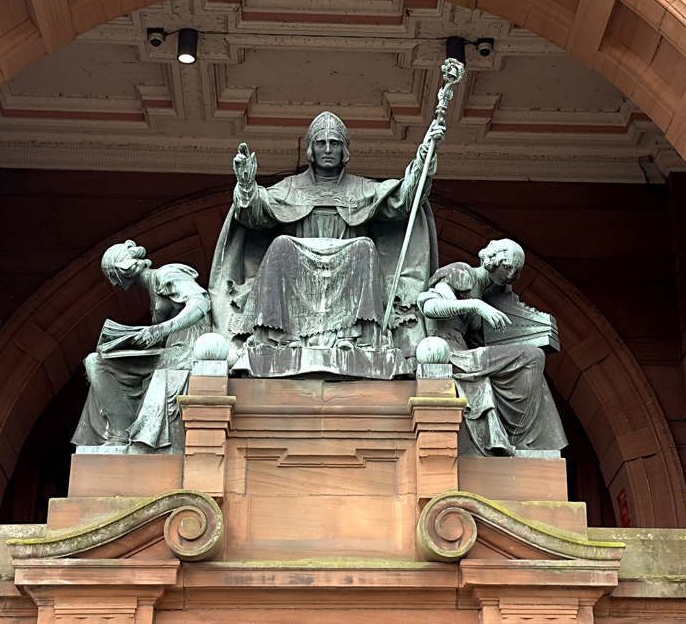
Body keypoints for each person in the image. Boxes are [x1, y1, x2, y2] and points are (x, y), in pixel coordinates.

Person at [209, 112, 443, 374]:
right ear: (311, 150)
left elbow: (404, 199)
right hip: (298, 264)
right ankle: (277, 337)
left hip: (349, 262)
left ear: (344, 151)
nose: (328, 149)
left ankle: (358, 337)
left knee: (364, 247)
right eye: (321, 143)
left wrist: (424, 159)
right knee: (281, 245)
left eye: (335, 143)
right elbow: (253, 214)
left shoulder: (362, 188)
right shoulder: (290, 188)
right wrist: (246, 184)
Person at [419, 239, 568, 457]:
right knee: (531, 356)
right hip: (450, 354)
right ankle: (519, 437)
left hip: (467, 354)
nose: (510, 275)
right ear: (492, 260)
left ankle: (522, 439)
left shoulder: (485, 292)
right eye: (506, 267)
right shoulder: (462, 273)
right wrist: (476, 305)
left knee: (533, 356)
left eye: (515, 271)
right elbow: (430, 307)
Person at [71, 241, 212, 453]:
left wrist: (159, 330)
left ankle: (122, 436)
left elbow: (201, 303)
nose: (114, 283)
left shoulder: (167, 274)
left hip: (187, 352)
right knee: (94, 361)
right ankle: (120, 434)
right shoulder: (153, 289)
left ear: (124, 269)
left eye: (113, 275)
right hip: (170, 352)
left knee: (98, 363)